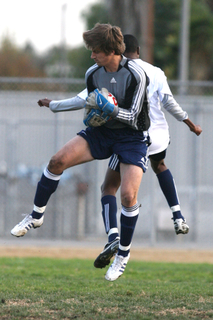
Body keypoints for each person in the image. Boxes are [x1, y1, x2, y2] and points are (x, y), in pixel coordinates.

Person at [11, 24, 151, 282]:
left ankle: (122, 255)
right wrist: (54, 105)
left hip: (132, 137)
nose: (92, 55)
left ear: (110, 50)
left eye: (95, 51)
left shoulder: (136, 75)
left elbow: (132, 116)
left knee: (129, 196)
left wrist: (109, 109)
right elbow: (85, 99)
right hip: (103, 133)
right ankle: (36, 216)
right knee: (57, 161)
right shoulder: (93, 73)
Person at [93, 34, 202, 269]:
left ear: (120, 50)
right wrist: (190, 123)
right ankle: (178, 214)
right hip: (159, 136)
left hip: (132, 137)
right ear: (139, 49)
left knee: (110, 187)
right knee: (160, 165)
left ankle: (113, 235)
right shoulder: (156, 71)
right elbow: (169, 103)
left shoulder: (118, 71)